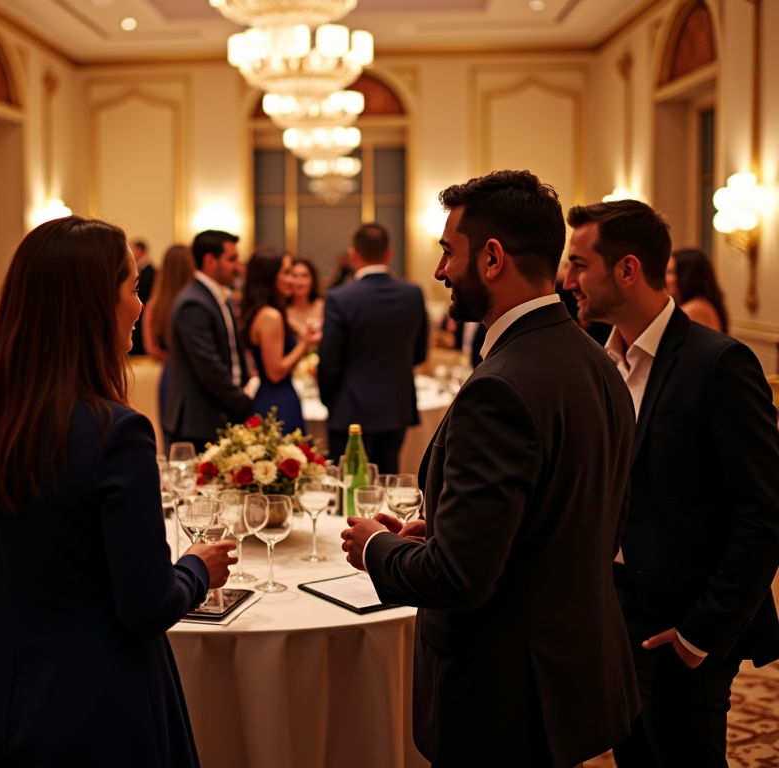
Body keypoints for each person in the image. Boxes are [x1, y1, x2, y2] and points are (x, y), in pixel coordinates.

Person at [341, 170, 640, 767]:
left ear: (493, 257)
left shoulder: (500, 387)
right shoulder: (595, 359)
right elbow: (571, 518)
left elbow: (459, 581)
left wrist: (376, 547)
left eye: (449, 252)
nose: (440, 270)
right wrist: (448, 531)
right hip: (569, 668)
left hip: (503, 693)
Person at [0, 216, 236, 767]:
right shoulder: (115, 432)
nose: (141, 305)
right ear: (94, 303)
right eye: (133, 287)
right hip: (101, 700)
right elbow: (147, 606)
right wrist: (197, 566)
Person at [563, 200, 779, 768]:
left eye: (580, 265)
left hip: (684, 626)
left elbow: (763, 515)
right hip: (614, 613)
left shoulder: (719, 362)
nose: (568, 281)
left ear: (627, 270)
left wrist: (699, 635)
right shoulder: (600, 363)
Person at [317, 223, 428, 474]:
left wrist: (330, 400)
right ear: (388, 254)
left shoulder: (340, 297)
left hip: (349, 408)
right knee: (387, 480)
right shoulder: (413, 293)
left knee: (347, 486)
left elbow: (329, 361)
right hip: (395, 406)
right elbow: (420, 353)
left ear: (353, 255)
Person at [162, 229, 251, 450]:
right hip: (199, 421)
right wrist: (245, 402)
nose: (238, 267)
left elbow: (232, 352)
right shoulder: (193, 303)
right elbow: (208, 366)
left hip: (219, 413)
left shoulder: (220, 297)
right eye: (232, 259)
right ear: (210, 261)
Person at [239, 247, 322, 434]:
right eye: (286, 273)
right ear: (270, 276)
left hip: (276, 396)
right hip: (277, 400)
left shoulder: (265, 311)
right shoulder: (271, 315)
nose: (292, 280)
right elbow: (275, 372)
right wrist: (304, 344)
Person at [142, 244, 196, 438]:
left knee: (171, 430)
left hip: (169, 372)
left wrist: (172, 358)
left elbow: (151, 348)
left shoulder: (154, 306)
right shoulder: (194, 304)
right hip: (192, 373)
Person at [666, 247, 728, 333]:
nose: (664, 278)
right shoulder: (700, 304)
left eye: (670, 272)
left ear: (687, 276)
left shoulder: (694, 309)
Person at [285, 255, 325, 338]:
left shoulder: (323, 307)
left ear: (312, 280)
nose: (299, 281)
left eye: (304, 276)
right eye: (294, 275)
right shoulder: (281, 311)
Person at [129, 238, 156, 355]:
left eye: (133, 249)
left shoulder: (150, 271)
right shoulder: (141, 269)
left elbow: (146, 294)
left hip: (143, 316)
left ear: (140, 250)